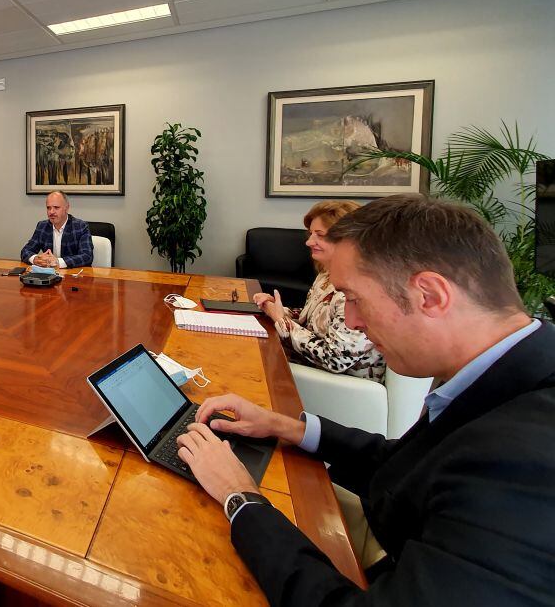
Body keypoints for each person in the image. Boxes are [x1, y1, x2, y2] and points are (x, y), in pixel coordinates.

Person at [175, 195, 555, 606]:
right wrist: (286, 425)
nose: (352, 321)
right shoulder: (508, 372)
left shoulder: (528, 464)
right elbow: (406, 464)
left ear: (429, 295)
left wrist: (239, 496)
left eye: (354, 298)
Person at [252, 200, 384, 381]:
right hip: (305, 363)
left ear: (347, 240)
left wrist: (281, 321)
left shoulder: (356, 291)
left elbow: (335, 359)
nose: (308, 242)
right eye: (311, 234)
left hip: (336, 383)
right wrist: (276, 309)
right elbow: (310, 320)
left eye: (319, 235)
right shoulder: (326, 275)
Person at [20, 190, 94, 268]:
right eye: (48, 208)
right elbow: (25, 251)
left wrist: (58, 262)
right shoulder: (42, 226)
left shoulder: (80, 226)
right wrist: (35, 259)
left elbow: (87, 256)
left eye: (56, 207)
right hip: (49, 275)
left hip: (73, 275)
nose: (51, 212)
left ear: (67, 208)